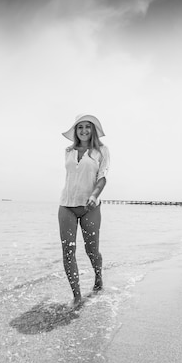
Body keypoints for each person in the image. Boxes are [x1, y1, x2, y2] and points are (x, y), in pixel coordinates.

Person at [58, 114, 110, 308]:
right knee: (68, 252)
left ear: (93, 130)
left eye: (88, 127)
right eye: (80, 127)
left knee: (92, 250)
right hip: (66, 205)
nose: (84, 130)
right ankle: (77, 296)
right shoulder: (68, 151)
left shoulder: (102, 151)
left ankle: (98, 278)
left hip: (91, 207)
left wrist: (94, 195)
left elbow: (102, 177)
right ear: (75, 131)